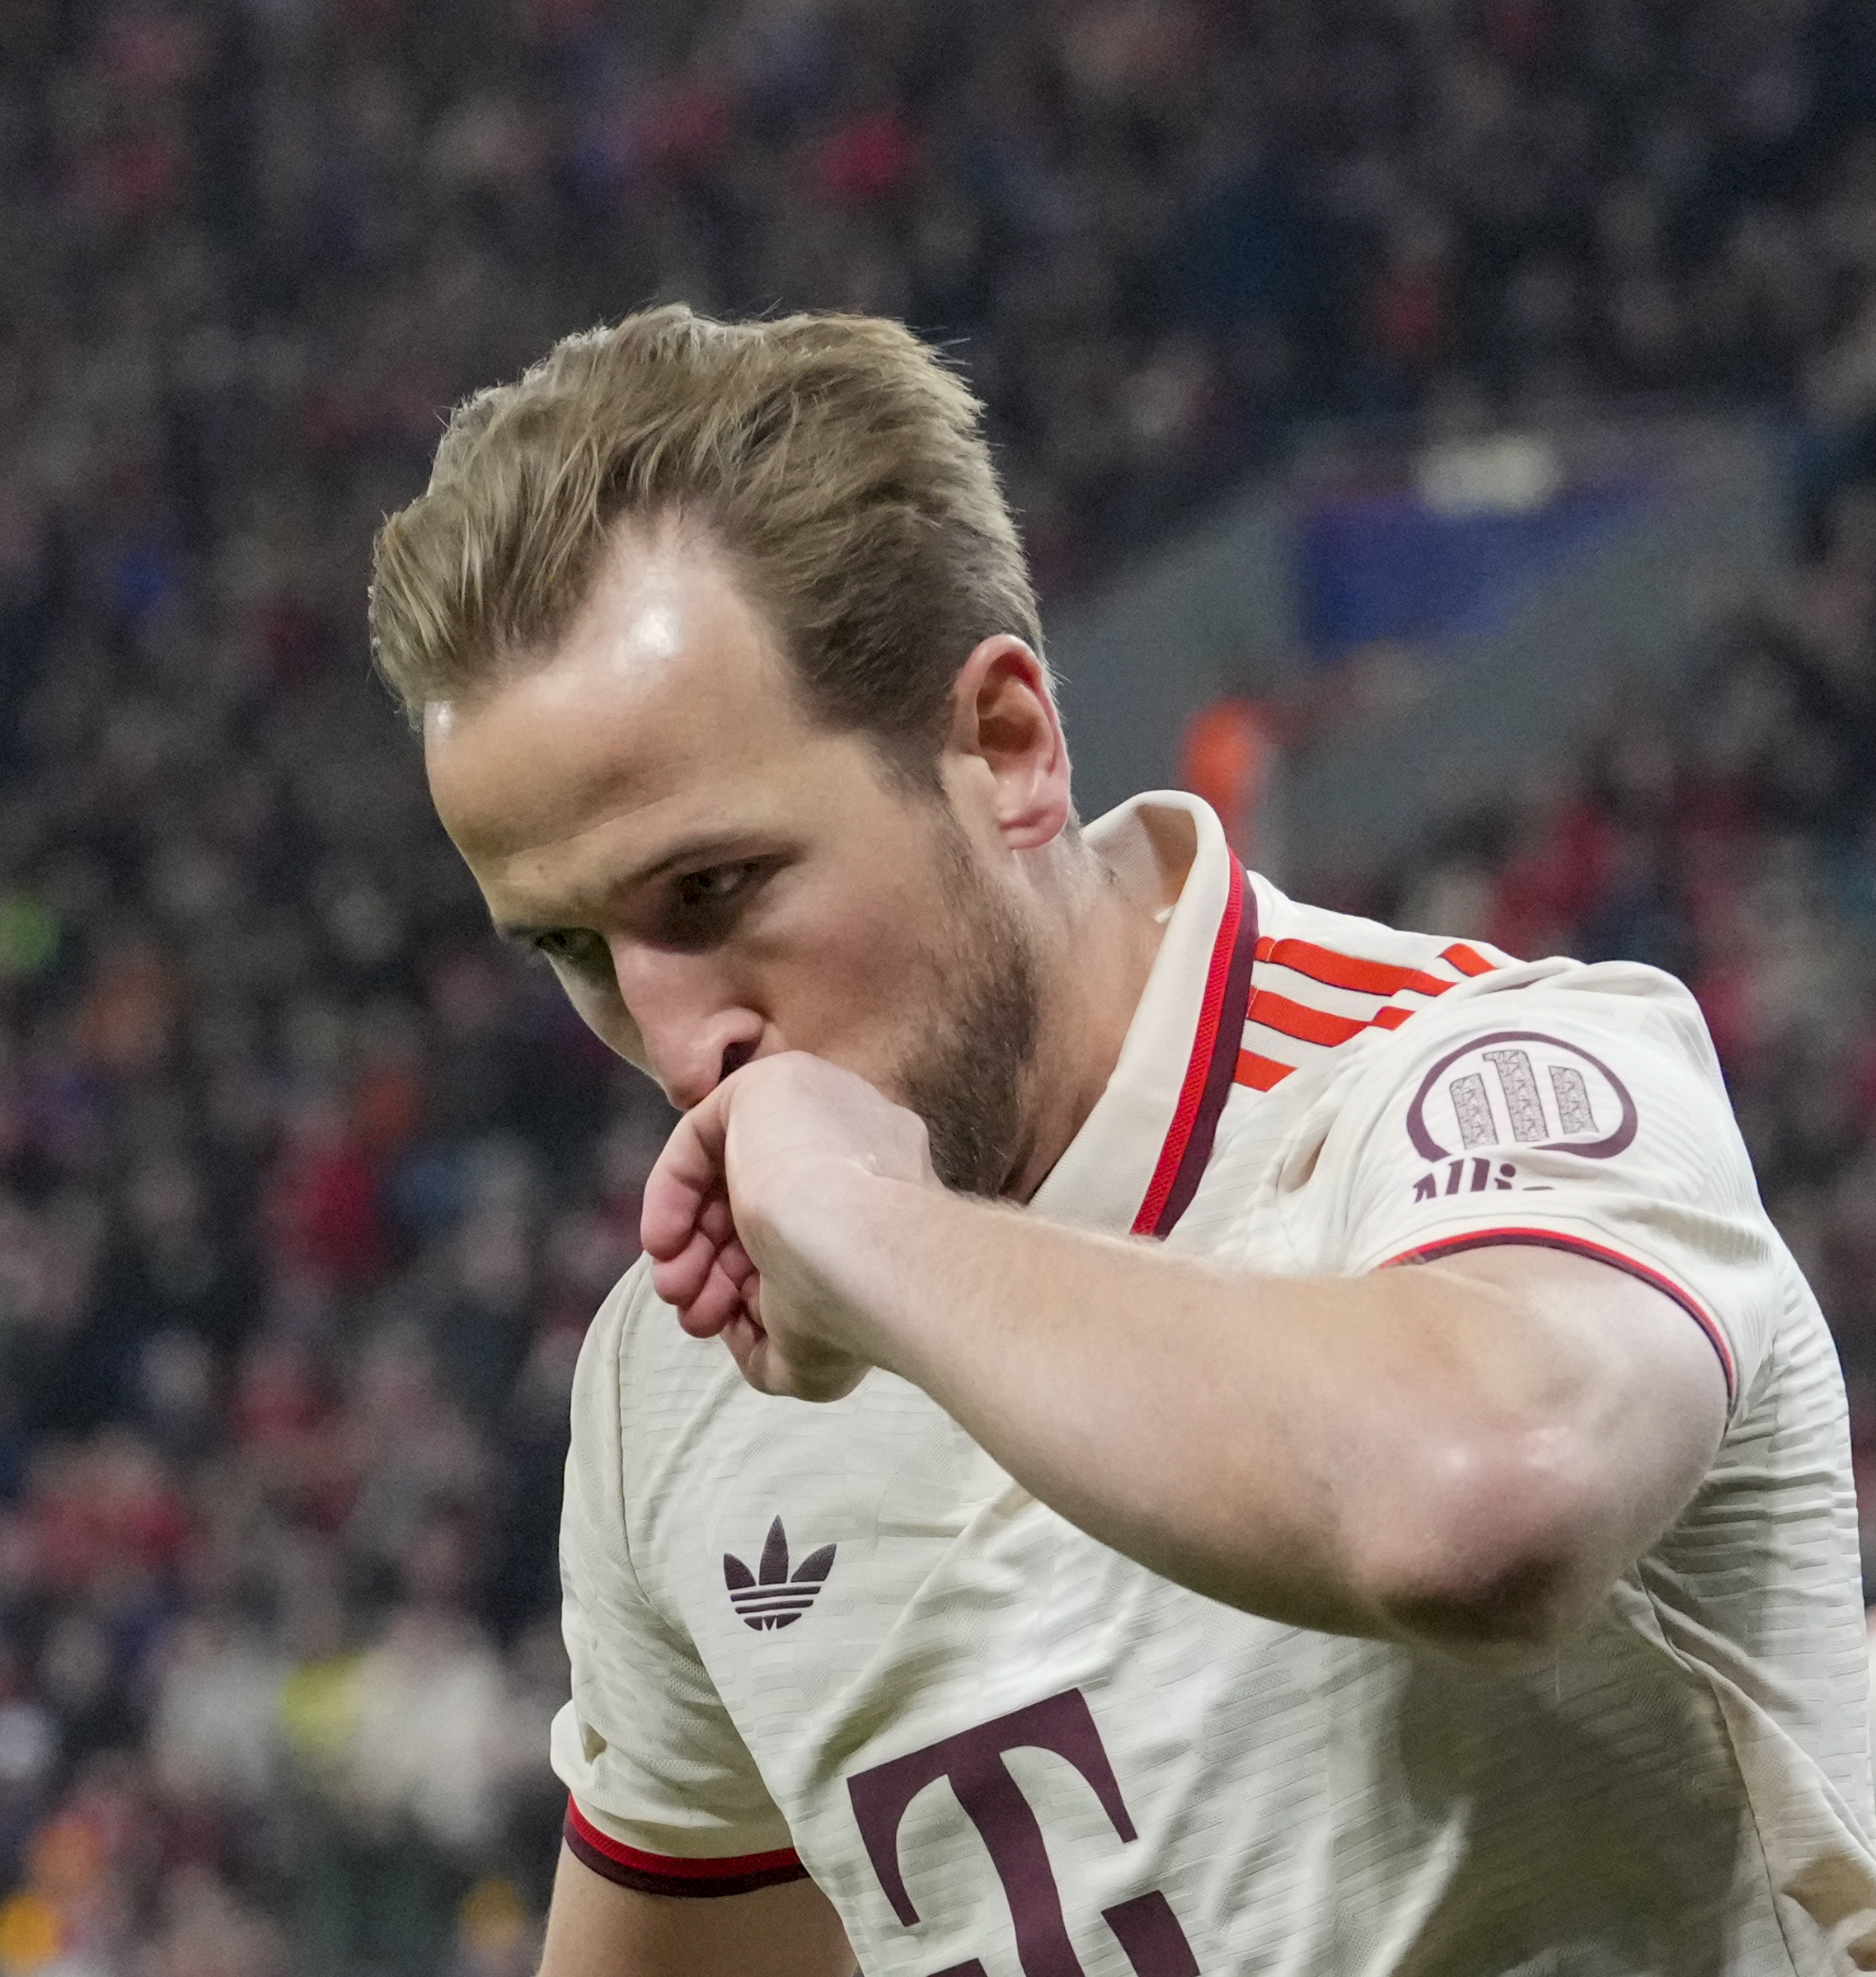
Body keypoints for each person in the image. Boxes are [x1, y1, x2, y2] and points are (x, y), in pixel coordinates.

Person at [366, 306, 1876, 1975]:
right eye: (574, 949)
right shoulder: (676, 1395)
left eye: (712, 891)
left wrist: (868, 1228)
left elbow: (1482, 1502)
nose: (672, 1039)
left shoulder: (1483, 1080)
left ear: (1005, 746)